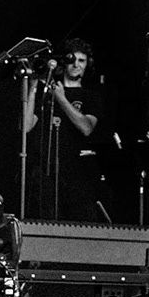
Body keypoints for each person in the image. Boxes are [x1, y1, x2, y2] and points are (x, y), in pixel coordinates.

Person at [25, 38, 110, 220]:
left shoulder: (91, 96)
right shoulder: (47, 91)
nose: (76, 65)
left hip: (76, 172)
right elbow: (26, 126)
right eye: (72, 59)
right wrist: (33, 87)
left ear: (88, 65)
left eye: (82, 60)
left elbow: (86, 128)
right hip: (45, 170)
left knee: (76, 222)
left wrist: (61, 99)